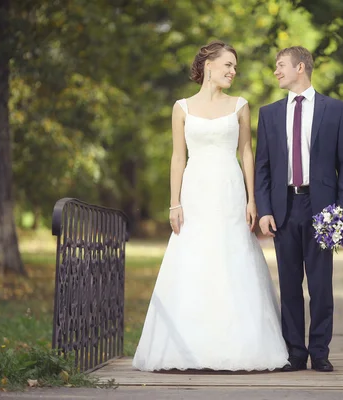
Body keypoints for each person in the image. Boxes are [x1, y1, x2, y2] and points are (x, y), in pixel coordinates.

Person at [132, 40, 288, 372]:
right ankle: (187, 347)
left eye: (235, 66)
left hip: (230, 189)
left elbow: (247, 153)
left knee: (232, 257)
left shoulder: (240, 105)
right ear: (209, 66)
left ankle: (241, 345)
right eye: (228, 65)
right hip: (196, 190)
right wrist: (174, 203)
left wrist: (252, 198)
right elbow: (178, 156)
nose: (233, 71)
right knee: (193, 258)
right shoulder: (182, 107)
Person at [255, 46, 343, 372]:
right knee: (289, 286)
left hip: (322, 207)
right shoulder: (269, 114)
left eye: (280, 65)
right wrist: (265, 210)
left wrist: (342, 212)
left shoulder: (336, 110)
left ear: (300, 67)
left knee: (320, 286)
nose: (276, 71)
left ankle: (320, 352)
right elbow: (263, 169)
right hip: (284, 206)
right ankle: (295, 354)